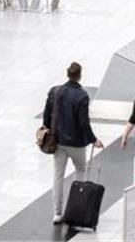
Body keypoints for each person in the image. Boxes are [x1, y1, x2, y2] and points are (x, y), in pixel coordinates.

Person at [43, 62, 103, 224]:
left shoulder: (55, 91)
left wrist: (49, 130)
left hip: (59, 142)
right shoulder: (82, 96)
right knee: (80, 172)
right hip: (77, 144)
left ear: (67, 74)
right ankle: (76, 208)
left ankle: (57, 212)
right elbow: (83, 123)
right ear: (80, 75)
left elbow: (47, 115)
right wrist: (93, 139)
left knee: (58, 176)